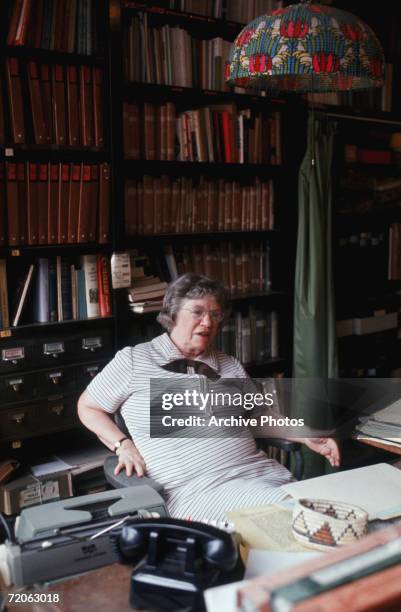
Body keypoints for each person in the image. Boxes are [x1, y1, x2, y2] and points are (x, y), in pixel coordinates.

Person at [78, 274, 340, 522]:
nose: (208, 322)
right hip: (197, 491)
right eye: (198, 312)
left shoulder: (228, 365)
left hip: (263, 477)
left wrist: (306, 435)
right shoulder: (135, 360)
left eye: (215, 315)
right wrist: (122, 444)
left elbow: (259, 417)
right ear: (172, 314)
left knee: (330, 513)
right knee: (299, 520)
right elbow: (88, 407)